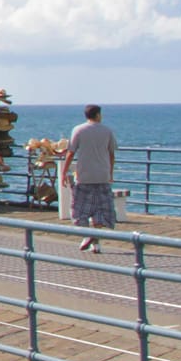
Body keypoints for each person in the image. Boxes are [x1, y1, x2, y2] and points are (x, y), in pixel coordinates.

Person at [60, 104, 119, 252]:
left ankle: (87, 235)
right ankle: (95, 243)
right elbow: (112, 154)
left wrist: (64, 172)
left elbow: (71, 152)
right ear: (98, 115)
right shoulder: (107, 131)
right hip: (103, 176)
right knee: (100, 210)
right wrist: (110, 173)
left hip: (84, 176)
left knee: (80, 210)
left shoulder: (78, 130)